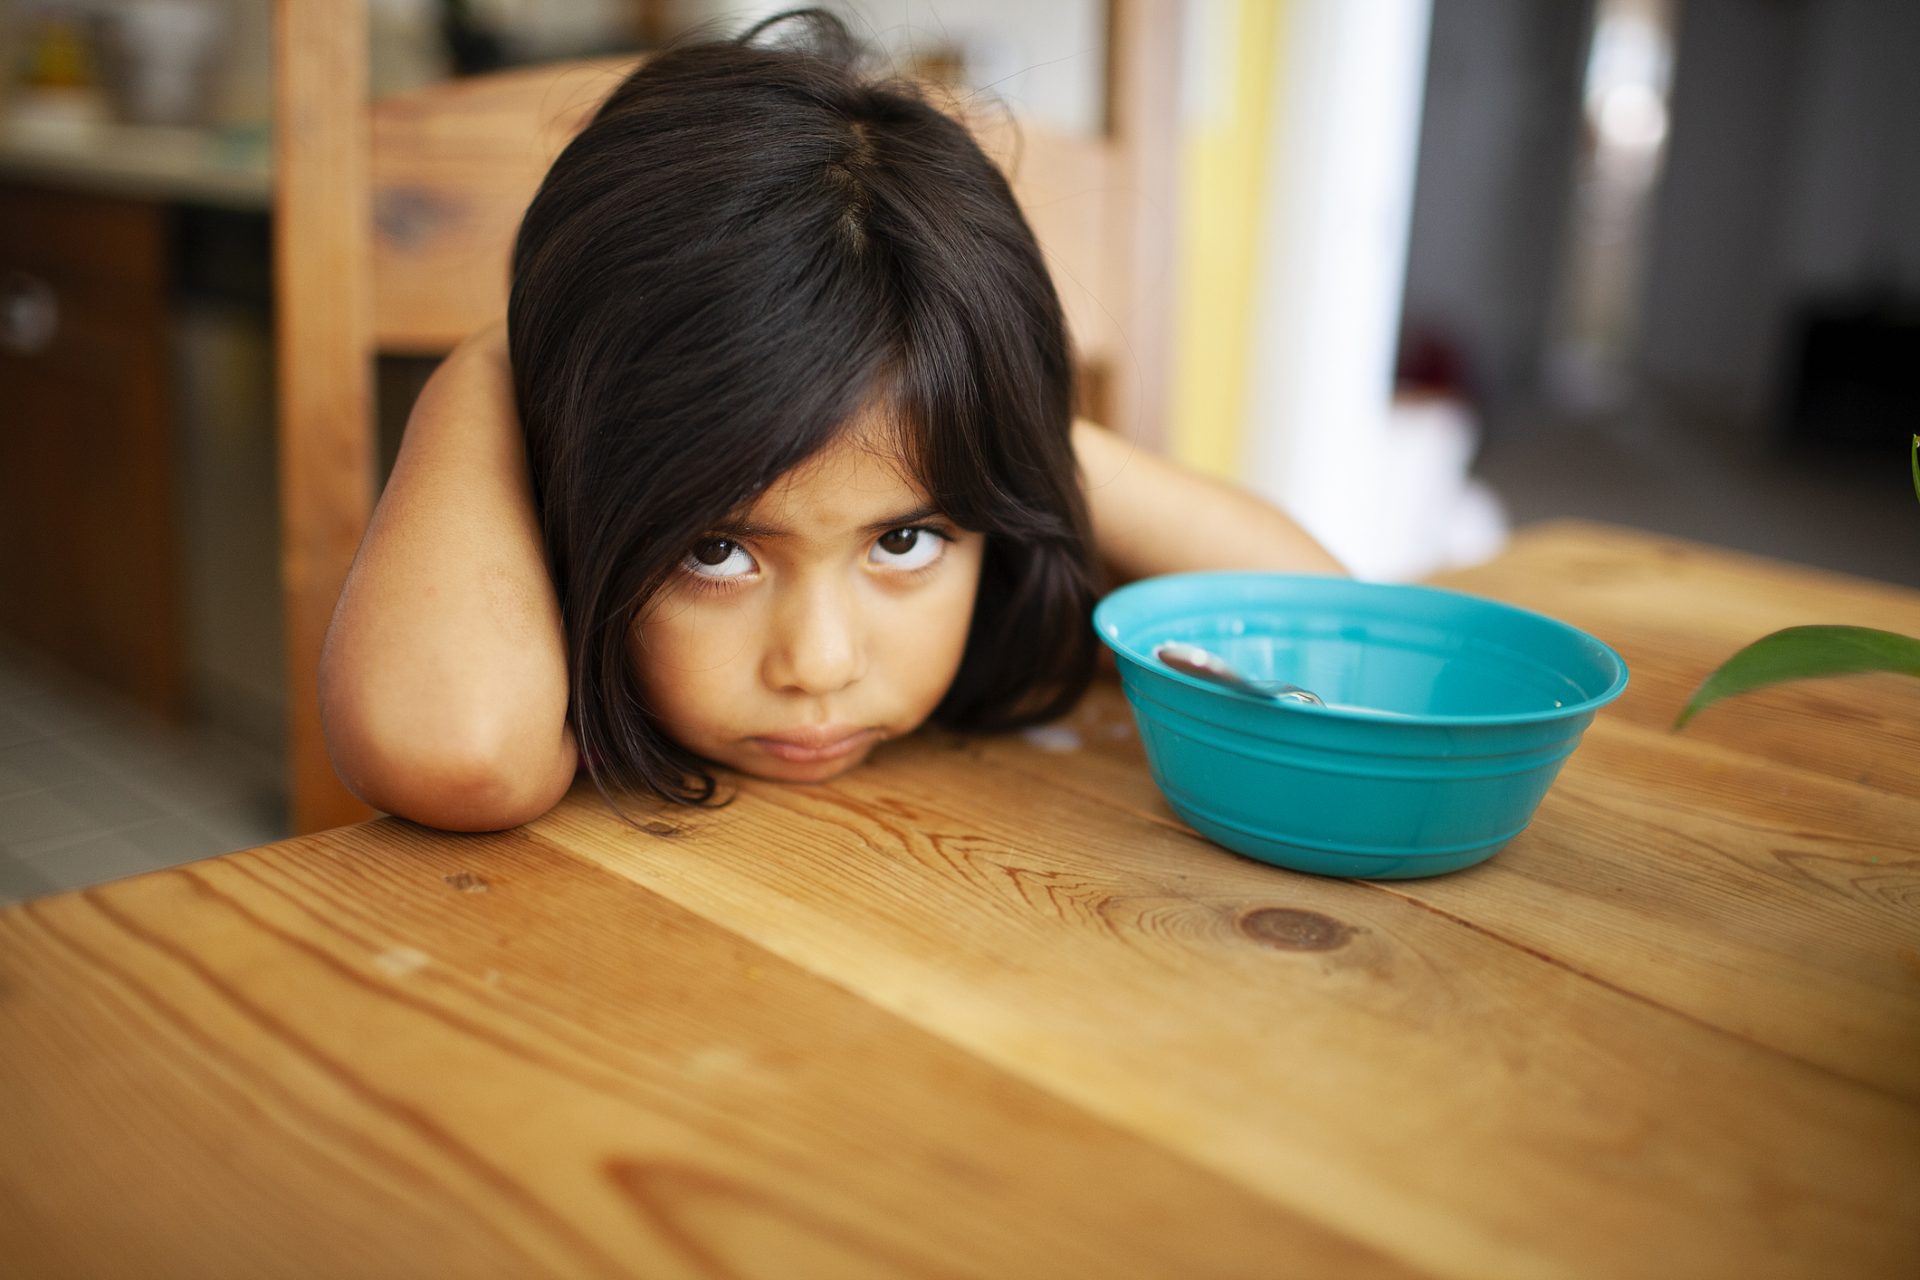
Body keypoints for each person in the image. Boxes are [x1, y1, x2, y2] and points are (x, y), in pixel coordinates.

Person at [319, 9, 1344, 833]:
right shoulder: (515, 645)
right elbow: (451, 753)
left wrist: (1004, 419)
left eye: (904, 538)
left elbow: (1324, 632)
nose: (819, 664)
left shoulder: (1012, 583)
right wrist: (495, 358)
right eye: (715, 550)